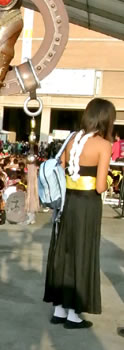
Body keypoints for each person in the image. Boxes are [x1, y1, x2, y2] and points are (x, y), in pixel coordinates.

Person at [44, 98, 116, 329]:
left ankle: (59, 309)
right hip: (87, 205)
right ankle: (74, 314)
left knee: (63, 251)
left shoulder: (72, 138)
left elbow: (62, 168)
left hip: (67, 203)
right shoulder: (103, 145)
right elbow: (100, 187)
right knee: (83, 253)